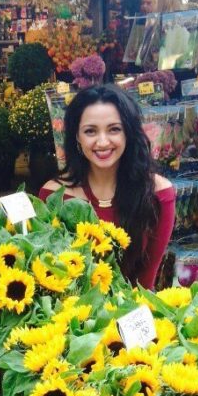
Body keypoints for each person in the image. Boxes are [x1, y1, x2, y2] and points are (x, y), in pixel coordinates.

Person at [39, 84, 175, 290]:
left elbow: (146, 281)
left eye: (114, 129)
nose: (102, 142)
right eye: (90, 131)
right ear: (77, 136)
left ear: (128, 133)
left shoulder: (158, 194)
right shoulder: (53, 195)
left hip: (134, 309)